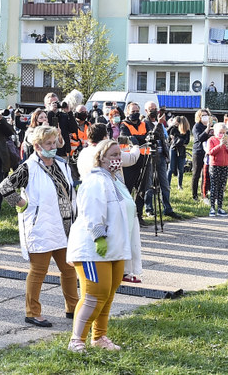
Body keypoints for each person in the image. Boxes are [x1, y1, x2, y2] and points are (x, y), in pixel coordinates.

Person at [0, 126, 78, 329]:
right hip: (41, 226)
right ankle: (32, 312)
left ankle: (73, 307)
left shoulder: (62, 164)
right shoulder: (28, 167)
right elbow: (4, 187)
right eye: (48, 143)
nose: (53, 147)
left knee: (68, 269)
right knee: (38, 270)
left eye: (54, 142)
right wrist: (21, 203)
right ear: (37, 145)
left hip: (64, 225)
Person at [67, 139, 142, 353]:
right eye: (112, 155)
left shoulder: (115, 180)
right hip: (93, 248)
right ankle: (76, 341)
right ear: (101, 158)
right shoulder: (94, 180)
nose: (117, 159)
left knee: (107, 295)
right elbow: (91, 211)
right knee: (94, 295)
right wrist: (98, 236)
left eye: (119, 154)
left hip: (116, 249)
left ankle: (99, 337)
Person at [205, 121, 228, 216]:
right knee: (214, 186)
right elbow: (210, 152)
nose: (222, 134)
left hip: (225, 166)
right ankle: (212, 208)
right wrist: (220, 145)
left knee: (222, 187)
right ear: (215, 132)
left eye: (224, 132)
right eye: (220, 132)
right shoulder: (212, 140)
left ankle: (220, 207)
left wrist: (227, 146)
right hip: (215, 165)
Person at [190, 109, 213, 201]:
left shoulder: (211, 126)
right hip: (198, 152)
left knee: (206, 174)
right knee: (196, 174)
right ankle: (194, 195)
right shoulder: (197, 126)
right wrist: (207, 129)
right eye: (203, 115)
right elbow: (200, 138)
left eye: (206, 115)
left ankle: (204, 193)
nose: (205, 117)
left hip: (207, 152)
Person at [167, 115, 191, 190]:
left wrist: (176, 140)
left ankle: (179, 185)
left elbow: (186, 142)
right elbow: (168, 138)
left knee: (180, 168)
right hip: (174, 149)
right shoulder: (173, 129)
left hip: (181, 150)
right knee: (171, 168)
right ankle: (168, 184)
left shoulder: (187, 131)